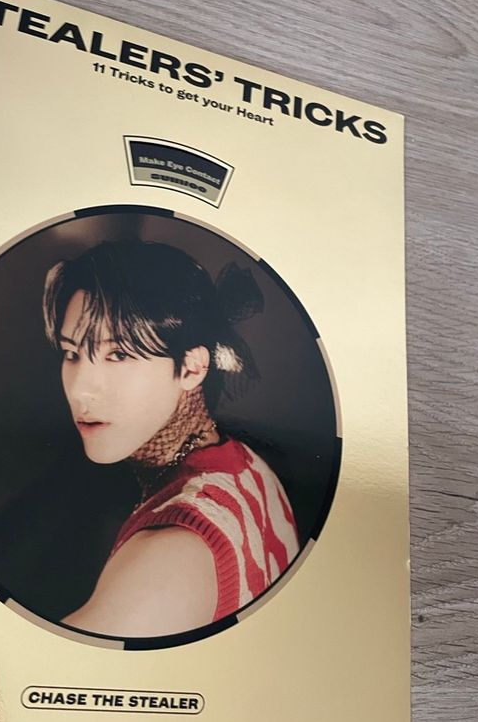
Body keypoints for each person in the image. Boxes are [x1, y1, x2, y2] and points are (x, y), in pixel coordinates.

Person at [43, 238, 299, 638]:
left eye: (118, 355)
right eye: (71, 353)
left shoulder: (170, 553)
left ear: (192, 368)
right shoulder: (245, 462)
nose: (80, 390)